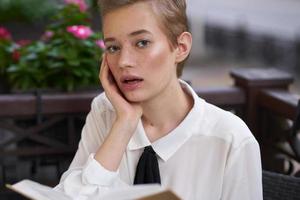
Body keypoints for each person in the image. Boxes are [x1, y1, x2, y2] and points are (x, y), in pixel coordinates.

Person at [54, 0, 263, 199]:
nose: (124, 62)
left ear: (181, 47)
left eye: (142, 43)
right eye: (113, 48)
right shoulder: (105, 112)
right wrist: (124, 123)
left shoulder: (231, 140)